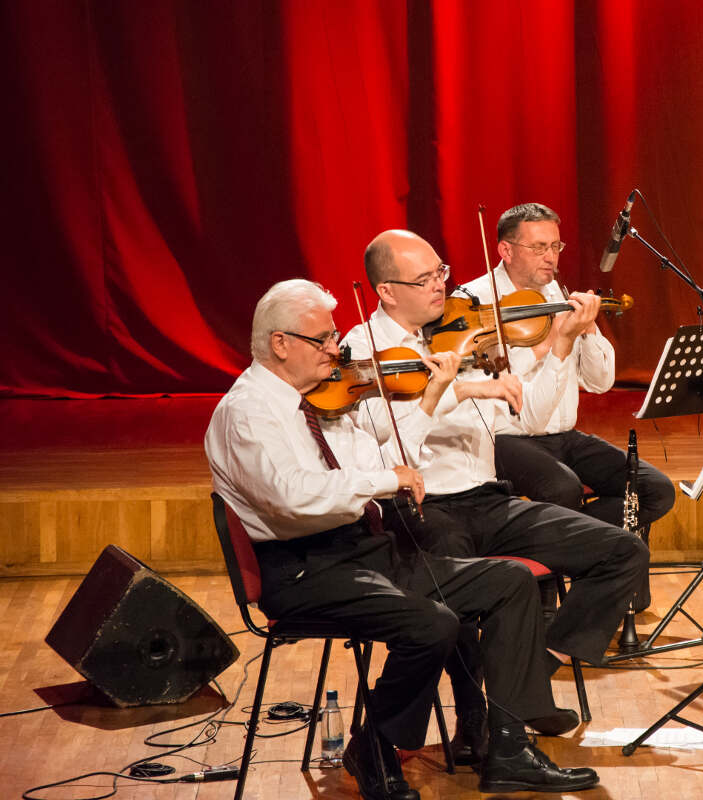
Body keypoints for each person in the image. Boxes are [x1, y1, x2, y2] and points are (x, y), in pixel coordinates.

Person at [205, 279, 600, 798]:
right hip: (304, 569)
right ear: (280, 343)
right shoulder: (248, 412)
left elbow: (382, 459)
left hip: (362, 552)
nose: (336, 350)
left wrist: (426, 407)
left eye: (334, 338)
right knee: (431, 623)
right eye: (323, 339)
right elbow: (292, 497)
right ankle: (375, 745)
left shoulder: (320, 401)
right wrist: (384, 480)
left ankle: (507, 750)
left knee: (509, 581)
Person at [342, 230, 649, 762]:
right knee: (466, 599)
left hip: (487, 498)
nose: (441, 286)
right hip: (421, 509)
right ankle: (478, 723)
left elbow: (530, 416)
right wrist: (454, 388)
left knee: (623, 550)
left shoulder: (465, 333)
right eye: (424, 279)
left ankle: (531, 673)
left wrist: (561, 346)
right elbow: (381, 443)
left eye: (441, 272)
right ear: (387, 291)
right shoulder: (363, 353)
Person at [458, 202, 675, 534]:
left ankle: (571, 537)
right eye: (538, 247)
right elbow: (498, 380)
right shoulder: (474, 302)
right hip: (503, 438)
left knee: (655, 490)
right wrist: (552, 341)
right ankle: (573, 542)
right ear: (506, 250)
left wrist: (588, 329)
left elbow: (600, 382)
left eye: (555, 246)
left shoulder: (555, 293)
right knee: (563, 489)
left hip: (563, 436)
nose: (551, 257)